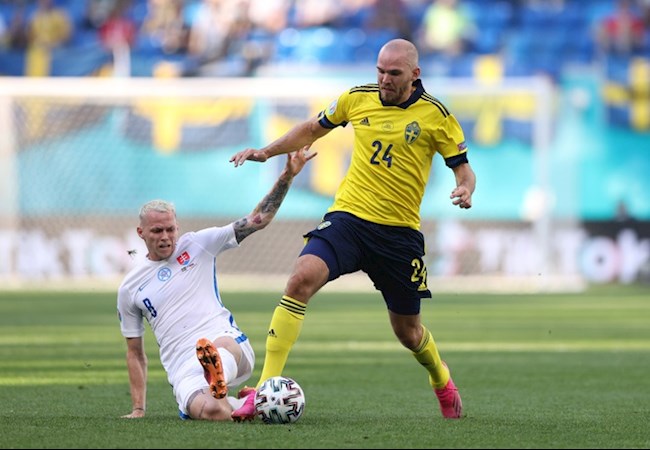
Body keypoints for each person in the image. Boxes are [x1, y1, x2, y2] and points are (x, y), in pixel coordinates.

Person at [229, 38, 476, 421]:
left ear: (415, 74)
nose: (384, 80)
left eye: (393, 74)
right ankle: (262, 390)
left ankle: (441, 379)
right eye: (379, 71)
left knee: (408, 333)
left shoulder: (436, 115)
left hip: (398, 235)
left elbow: (462, 167)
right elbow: (312, 128)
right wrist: (266, 152)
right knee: (299, 280)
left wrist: (465, 188)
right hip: (349, 219)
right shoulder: (356, 98)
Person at [117, 147, 315, 421]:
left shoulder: (198, 244)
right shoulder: (130, 288)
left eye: (170, 229)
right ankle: (247, 401)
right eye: (157, 231)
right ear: (141, 233)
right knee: (215, 412)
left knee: (221, 349)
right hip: (182, 367)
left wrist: (287, 175)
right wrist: (138, 408)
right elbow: (135, 353)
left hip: (225, 340)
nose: (165, 237)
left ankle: (216, 367)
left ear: (178, 227)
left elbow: (259, 219)